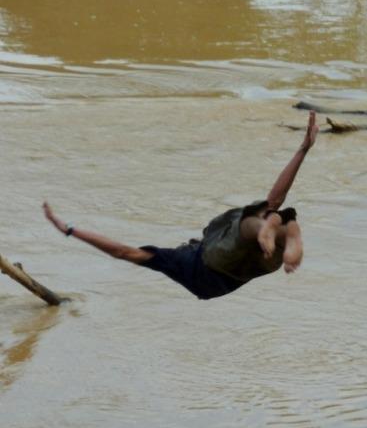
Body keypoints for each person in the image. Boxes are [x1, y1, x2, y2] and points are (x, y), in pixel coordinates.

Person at [42, 112, 319, 300]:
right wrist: (303, 149)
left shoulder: (175, 260)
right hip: (254, 265)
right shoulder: (183, 256)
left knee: (253, 223)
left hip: (223, 268)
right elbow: (274, 199)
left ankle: (276, 226)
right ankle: (287, 228)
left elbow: (121, 251)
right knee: (267, 214)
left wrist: (69, 230)